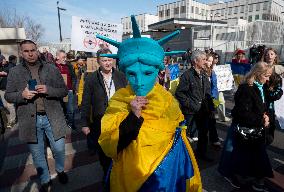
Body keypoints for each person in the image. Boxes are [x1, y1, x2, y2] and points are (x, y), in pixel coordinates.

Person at [96, 15, 202, 192]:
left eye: (146, 73)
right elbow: (109, 145)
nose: (138, 81)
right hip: (129, 176)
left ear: (157, 71)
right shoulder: (119, 100)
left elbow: (179, 134)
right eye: (131, 74)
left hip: (165, 177)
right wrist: (133, 117)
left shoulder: (167, 99)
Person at [5, 40, 69, 191]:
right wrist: (22, 95)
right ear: (21, 53)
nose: (30, 53)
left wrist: (48, 90)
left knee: (59, 148)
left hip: (52, 116)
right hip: (29, 120)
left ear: (37, 50)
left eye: (33, 50)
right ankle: (45, 179)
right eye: (26, 51)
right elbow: (8, 95)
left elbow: (63, 91)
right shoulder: (14, 72)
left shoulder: (51, 68)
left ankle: (60, 170)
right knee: (37, 153)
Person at [219, 62, 274, 191]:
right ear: (258, 74)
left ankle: (254, 179)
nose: (268, 79)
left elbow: (261, 106)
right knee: (245, 156)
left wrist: (266, 116)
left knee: (252, 156)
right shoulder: (246, 88)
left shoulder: (260, 86)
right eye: (266, 76)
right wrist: (261, 120)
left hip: (256, 129)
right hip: (248, 129)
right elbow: (243, 113)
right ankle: (241, 178)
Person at [80, 48, 127, 180]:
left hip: (119, 120)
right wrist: (84, 123)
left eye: (110, 59)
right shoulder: (91, 78)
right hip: (100, 122)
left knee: (120, 150)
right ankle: (107, 177)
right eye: (104, 60)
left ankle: (119, 176)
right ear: (98, 61)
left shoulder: (121, 76)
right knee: (104, 154)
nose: (107, 63)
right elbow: (86, 102)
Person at [175, 50, 215, 161]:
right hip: (190, 112)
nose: (205, 61)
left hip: (203, 110)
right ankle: (184, 157)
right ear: (195, 61)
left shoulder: (204, 74)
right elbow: (179, 93)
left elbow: (207, 93)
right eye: (203, 59)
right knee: (186, 136)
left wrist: (211, 108)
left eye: (205, 59)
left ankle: (201, 154)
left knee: (203, 133)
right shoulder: (187, 76)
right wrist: (192, 105)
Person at [55, 50, 77, 129]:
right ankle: (62, 124)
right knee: (60, 109)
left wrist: (73, 88)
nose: (65, 59)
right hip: (57, 91)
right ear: (57, 57)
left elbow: (74, 77)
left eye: (65, 57)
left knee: (70, 109)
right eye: (63, 57)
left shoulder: (69, 66)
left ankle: (71, 123)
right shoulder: (52, 67)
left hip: (68, 91)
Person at [204, 53, 222, 148]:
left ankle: (214, 139)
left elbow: (215, 88)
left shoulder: (212, 72)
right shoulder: (201, 71)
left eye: (211, 61)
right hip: (202, 100)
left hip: (211, 99)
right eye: (208, 60)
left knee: (212, 119)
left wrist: (215, 102)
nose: (210, 63)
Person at [0, 55, 17, 128]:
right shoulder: (1, 67)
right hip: (1, 89)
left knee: (10, 105)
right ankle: (11, 117)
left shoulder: (10, 65)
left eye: (2, 60)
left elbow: (14, 75)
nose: (2, 61)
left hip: (9, 88)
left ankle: (12, 121)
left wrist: (6, 74)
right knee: (5, 106)